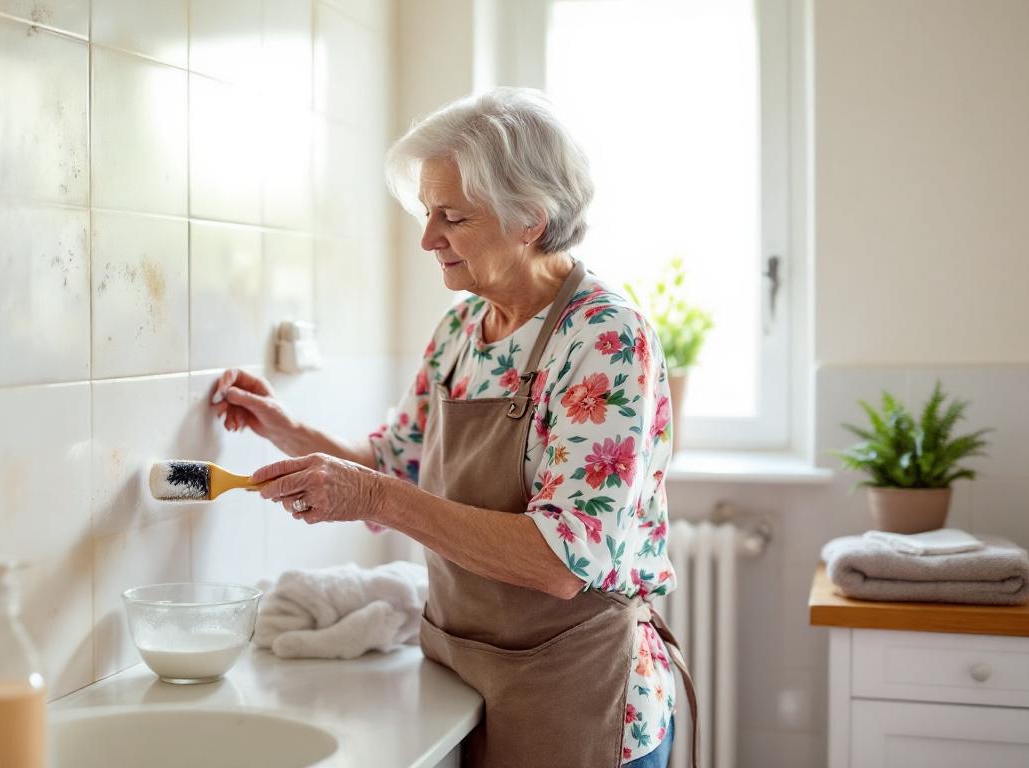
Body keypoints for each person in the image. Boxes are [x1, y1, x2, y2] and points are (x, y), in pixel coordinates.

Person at [211, 87, 694, 768]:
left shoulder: (605, 337)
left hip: (579, 694)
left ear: (530, 217)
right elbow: (394, 461)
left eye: (452, 216)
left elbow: (561, 561)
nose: (427, 237)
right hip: (458, 677)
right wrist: (286, 430)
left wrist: (374, 497)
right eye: (426, 210)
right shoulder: (463, 329)